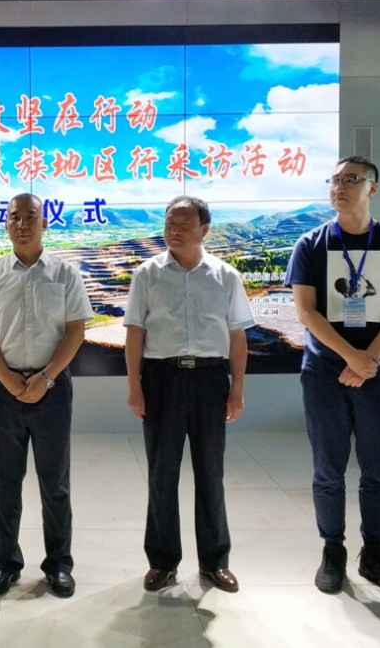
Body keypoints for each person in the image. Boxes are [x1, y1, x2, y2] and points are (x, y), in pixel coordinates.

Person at [285, 156, 380, 595]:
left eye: (351, 180)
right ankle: (333, 550)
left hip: (379, 372)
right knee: (328, 467)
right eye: (334, 180)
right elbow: (306, 311)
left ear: (372, 189)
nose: (339, 187)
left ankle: (375, 553)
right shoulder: (311, 244)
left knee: (377, 467)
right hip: (325, 371)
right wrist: (350, 357)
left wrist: (368, 361)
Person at [0, 193, 93, 598]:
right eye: (14, 217)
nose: (22, 224)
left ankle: (59, 565)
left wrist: (47, 377)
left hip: (52, 389)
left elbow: (75, 330)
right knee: (5, 483)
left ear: (44, 223)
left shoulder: (65, 273)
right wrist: (6, 378)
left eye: (30, 217)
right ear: (6, 224)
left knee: (55, 483)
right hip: (2, 390)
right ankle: (4, 564)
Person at [124, 195, 254, 594]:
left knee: (210, 473)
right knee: (162, 475)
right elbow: (135, 332)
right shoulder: (147, 274)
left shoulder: (225, 276)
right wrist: (134, 386)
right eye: (170, 223)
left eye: (183, 224)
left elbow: (237, 336)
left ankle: (215, 562)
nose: (174, 230)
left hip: (211, 380)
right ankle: (162, 562)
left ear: (204, 230)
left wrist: (237, 388)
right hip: (161, 379)